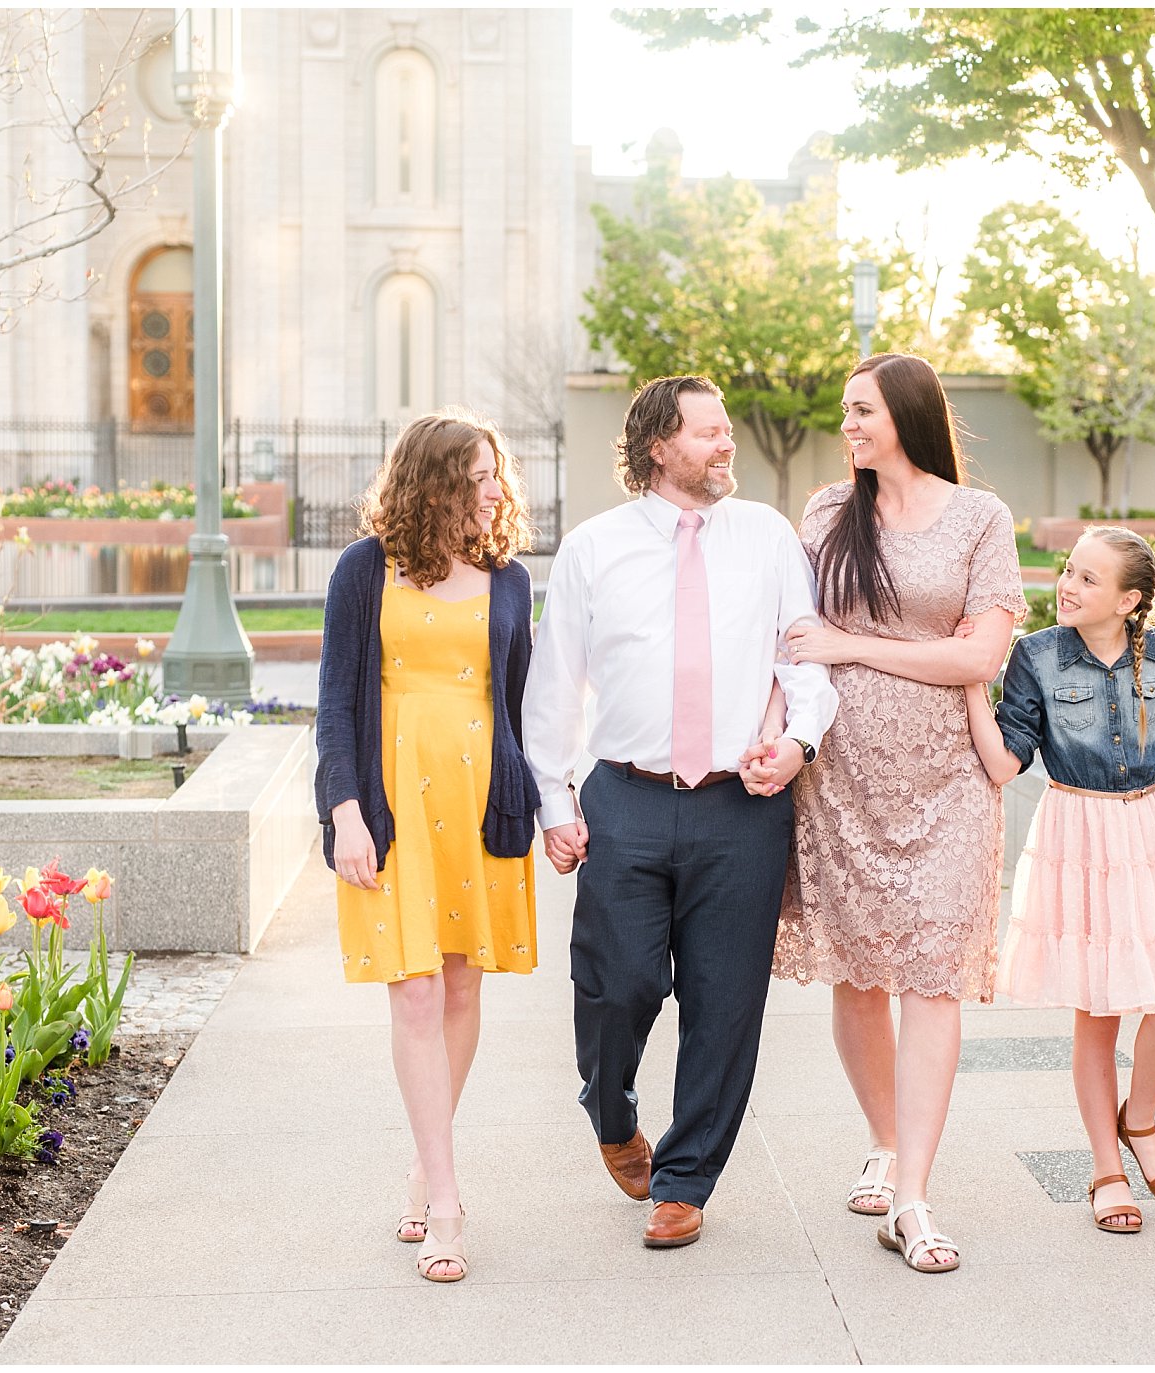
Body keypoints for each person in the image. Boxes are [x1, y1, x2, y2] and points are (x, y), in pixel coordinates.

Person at [524, 375, 837, 1251]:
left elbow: (803, 661)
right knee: (614, 984)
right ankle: (613, 1108)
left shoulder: (768, 538)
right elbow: (552, 690)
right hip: (624, 795)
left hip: (742, 804)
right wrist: (555, 801)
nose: (724, 444)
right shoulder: (593, 549)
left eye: (726, 429)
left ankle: (685, 1178)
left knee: (724, 1001)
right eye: (707, 432)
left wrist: (800, 741)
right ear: (659, 445)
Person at [771, 352, 1026, 1274]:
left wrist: (851, 642)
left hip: (950, 780)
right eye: (844, 410)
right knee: (858, 973)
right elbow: (795, 643)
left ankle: (913, 1194)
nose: (848, 425)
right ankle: (886, 1137)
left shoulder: (979, 518)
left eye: (862, 410)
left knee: (932, 977)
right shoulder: (828, 514)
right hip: (840, 778)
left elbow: (981, 660)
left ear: (909, 416)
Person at [316, 408, 543, 1284]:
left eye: (497, 476)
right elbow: (335, 701)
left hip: (480, 803)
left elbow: (522, 707)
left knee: (455, 982)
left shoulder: (511, 579)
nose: (495, 491)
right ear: (433, 482)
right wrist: (342, 811)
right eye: (477, 477)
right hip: (391, 806)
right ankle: (445, 1195)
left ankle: (424, 1157)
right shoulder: (363, 571)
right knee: (411, 991)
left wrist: (545, 803)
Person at [961, 527, 1155, 1235]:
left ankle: (1138, 1120)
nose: (1068, 586)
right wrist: (969, 682)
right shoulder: (1036, 656)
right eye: (1068, 571)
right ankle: (1105, 1166)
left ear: (1130, 598)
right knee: (1099, 1007)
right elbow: (1003, 763)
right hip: (1077, 833)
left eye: (1088, 578)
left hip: (1150, 831)